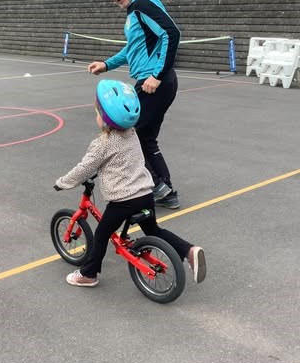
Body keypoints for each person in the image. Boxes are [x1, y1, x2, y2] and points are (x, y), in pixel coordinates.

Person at [54, 79, 206, 288]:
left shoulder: (102, 144)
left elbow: (85, 168)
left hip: (123, 201)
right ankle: (189, 250)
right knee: (153, 229)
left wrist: (63, 183)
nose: (96, 116)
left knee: (101, 234)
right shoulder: (132, 133)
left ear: (105, 118)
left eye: (97, 112)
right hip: (145, 194)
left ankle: (88, 274)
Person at [88, 0, 181, 209]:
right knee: (145, 138)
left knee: (125, 134)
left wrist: (157, 75)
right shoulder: (134, 11)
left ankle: (151, 189)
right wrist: (106, 64)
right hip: (153, 81)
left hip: (155, 83)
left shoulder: (142, 3)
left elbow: (171, 33)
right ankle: (166, 191)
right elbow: (133, 49)